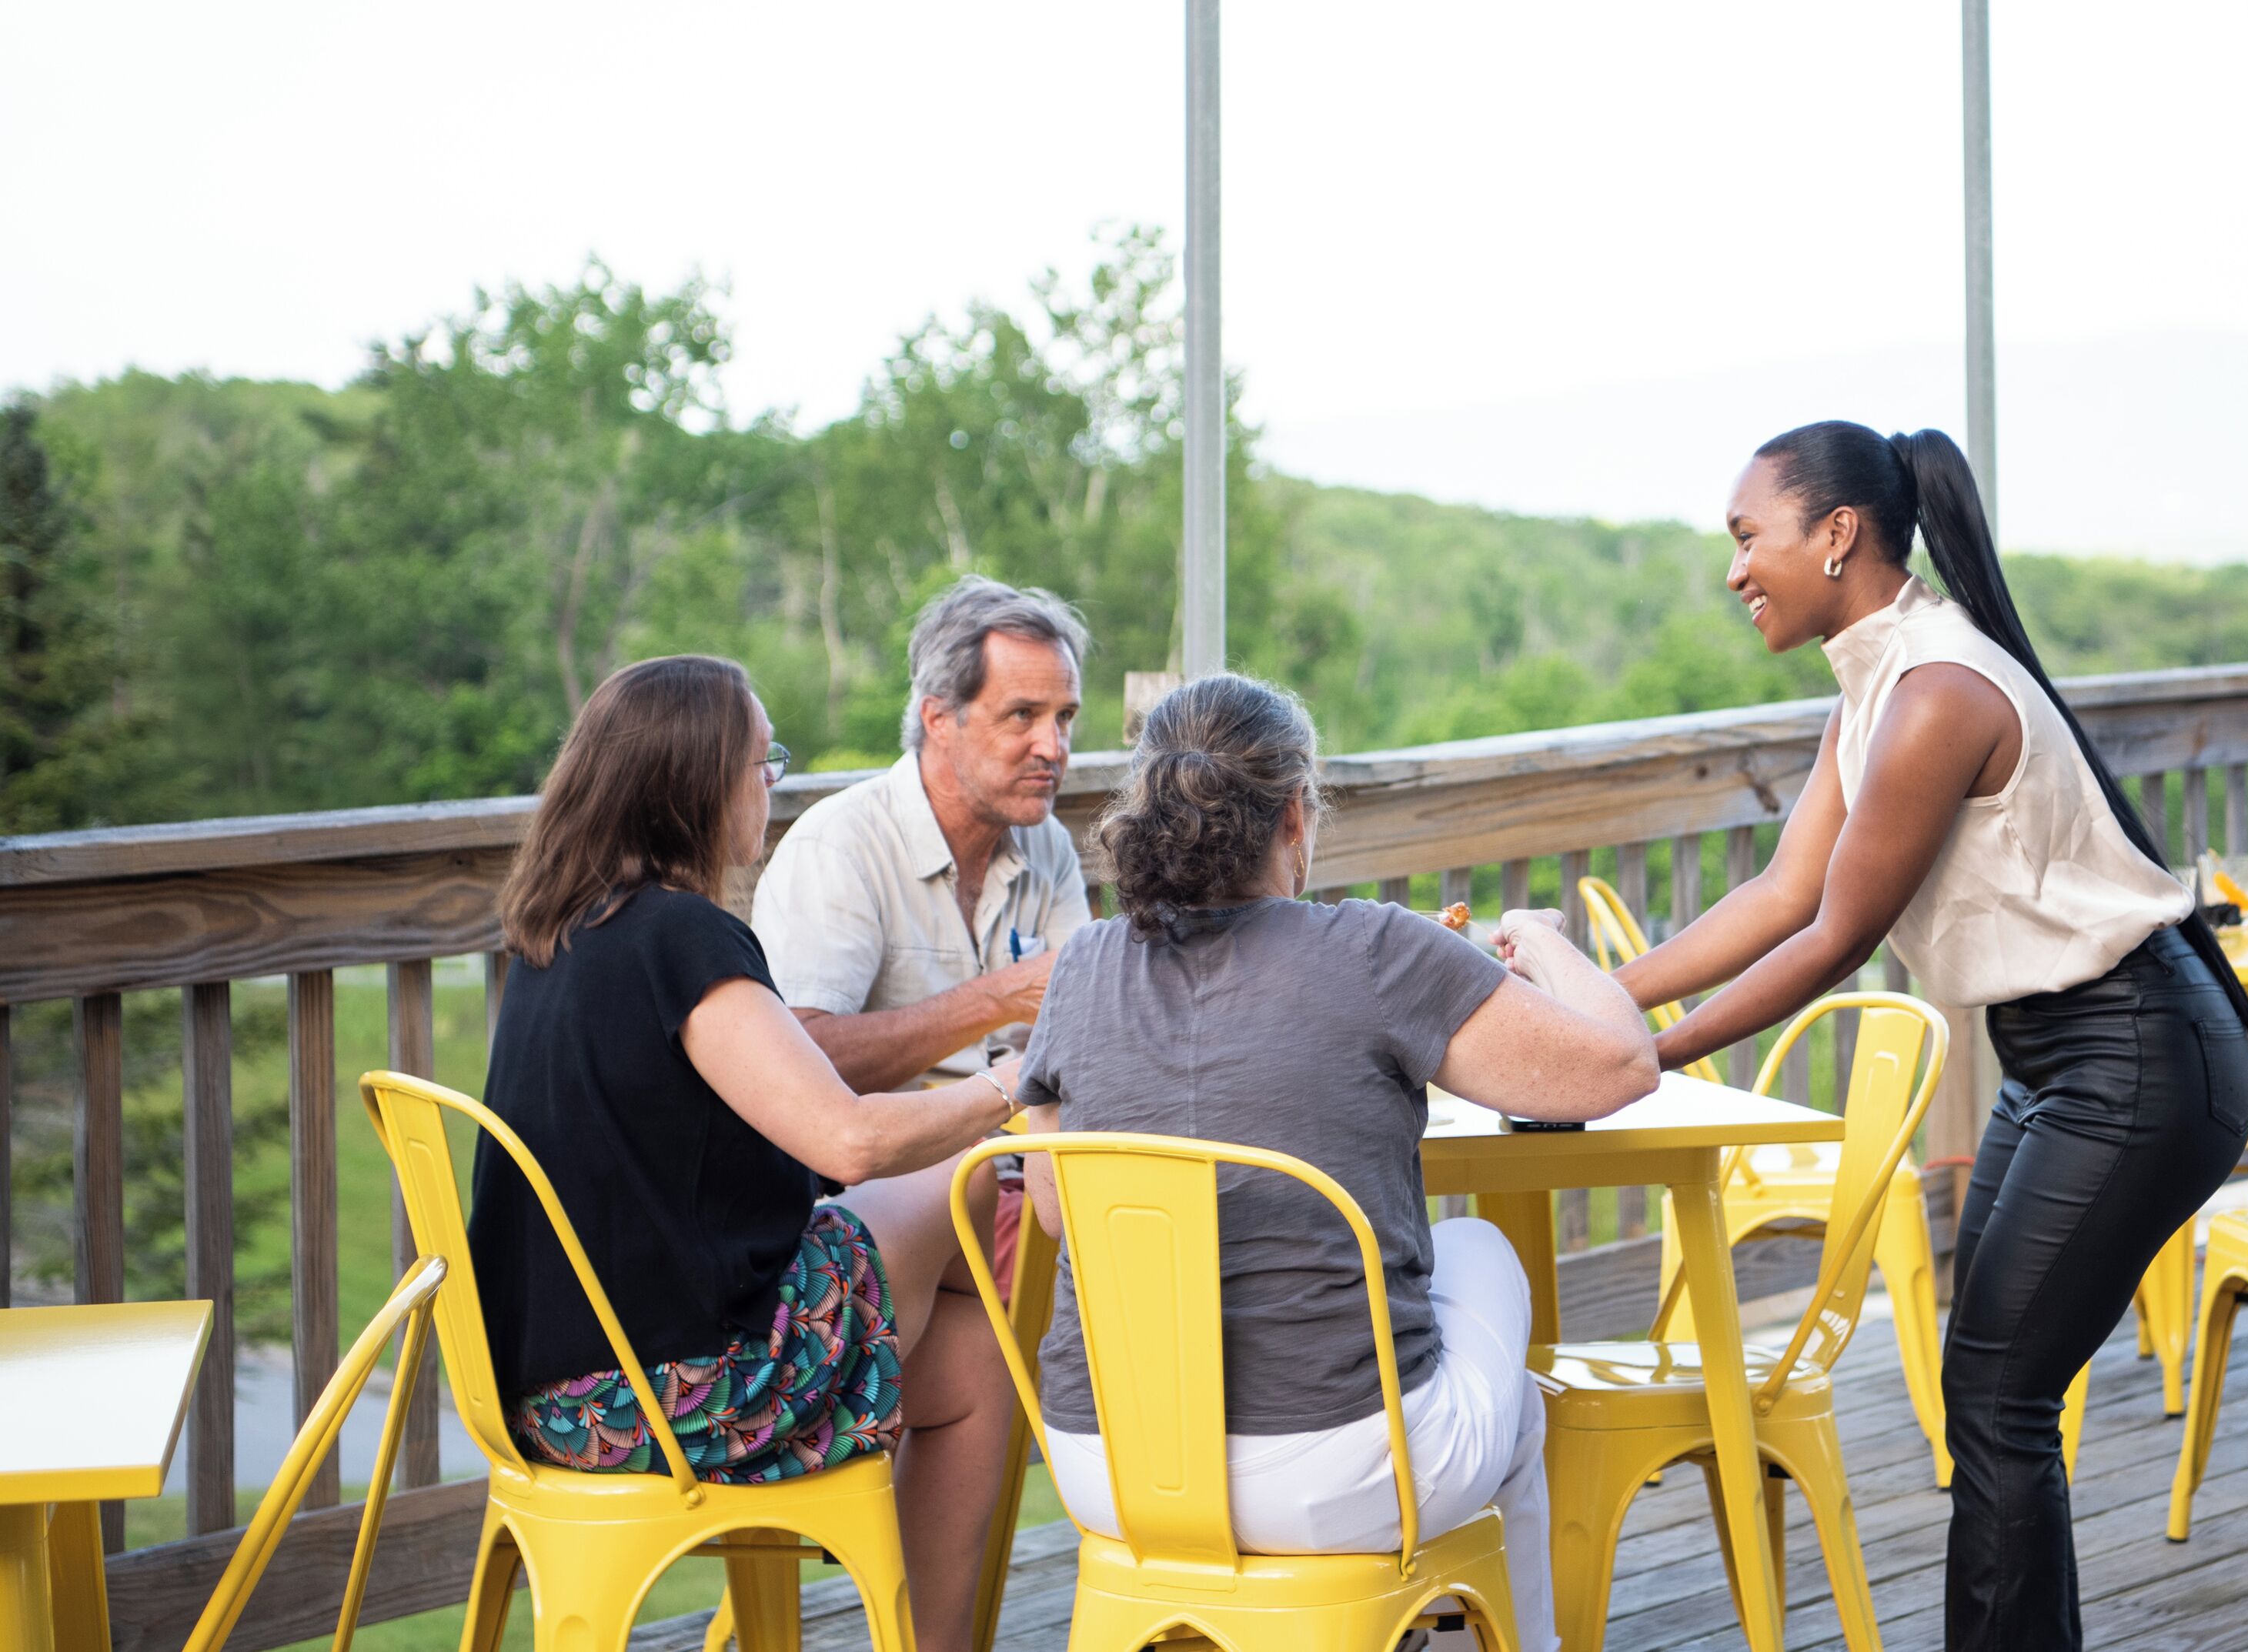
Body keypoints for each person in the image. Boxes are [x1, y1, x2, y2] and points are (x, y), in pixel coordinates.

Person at [1611, 422, 2248, 1652]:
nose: (1737, 566)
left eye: (1749, 535)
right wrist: (1605, 1001)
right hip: (2062, 1053)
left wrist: (1640, 1058)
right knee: (1999, 1397)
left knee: (1996, 1396)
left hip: (2132, 1051)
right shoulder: (1877, 686)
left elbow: (1833, 938)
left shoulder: (1935, 695)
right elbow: (1778, 893)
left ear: (1838, 534)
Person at [1012, 675, 1659, 1652]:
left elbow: (1058, 1210)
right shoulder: (1373, 949)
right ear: (1296, 816)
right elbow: (1621, 1065)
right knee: (1485, 1270)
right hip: (1334, 1471)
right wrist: (1538, 939)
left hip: (1110, 1466)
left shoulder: (1084, 964)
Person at [472, 654, 1026, 1638]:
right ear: (693, 782)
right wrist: (1010, 1087)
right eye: (761, 760)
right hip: (681, 1393)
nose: (773, 781)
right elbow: (849, 1140)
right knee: (958, 1177)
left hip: (547, 1394)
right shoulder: (682, 939)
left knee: (977, 1359)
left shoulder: (559, 934)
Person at [753, 576, 1091, 1291]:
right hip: (874, 1204)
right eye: (1023, 714)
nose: (1052, 746)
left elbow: (1085, 1024)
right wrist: (1000, 996)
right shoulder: (840, 844)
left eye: (1065, 716)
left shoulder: (1049, 842)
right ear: (940, 718)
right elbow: (800, 1063)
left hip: (1032, 1184)